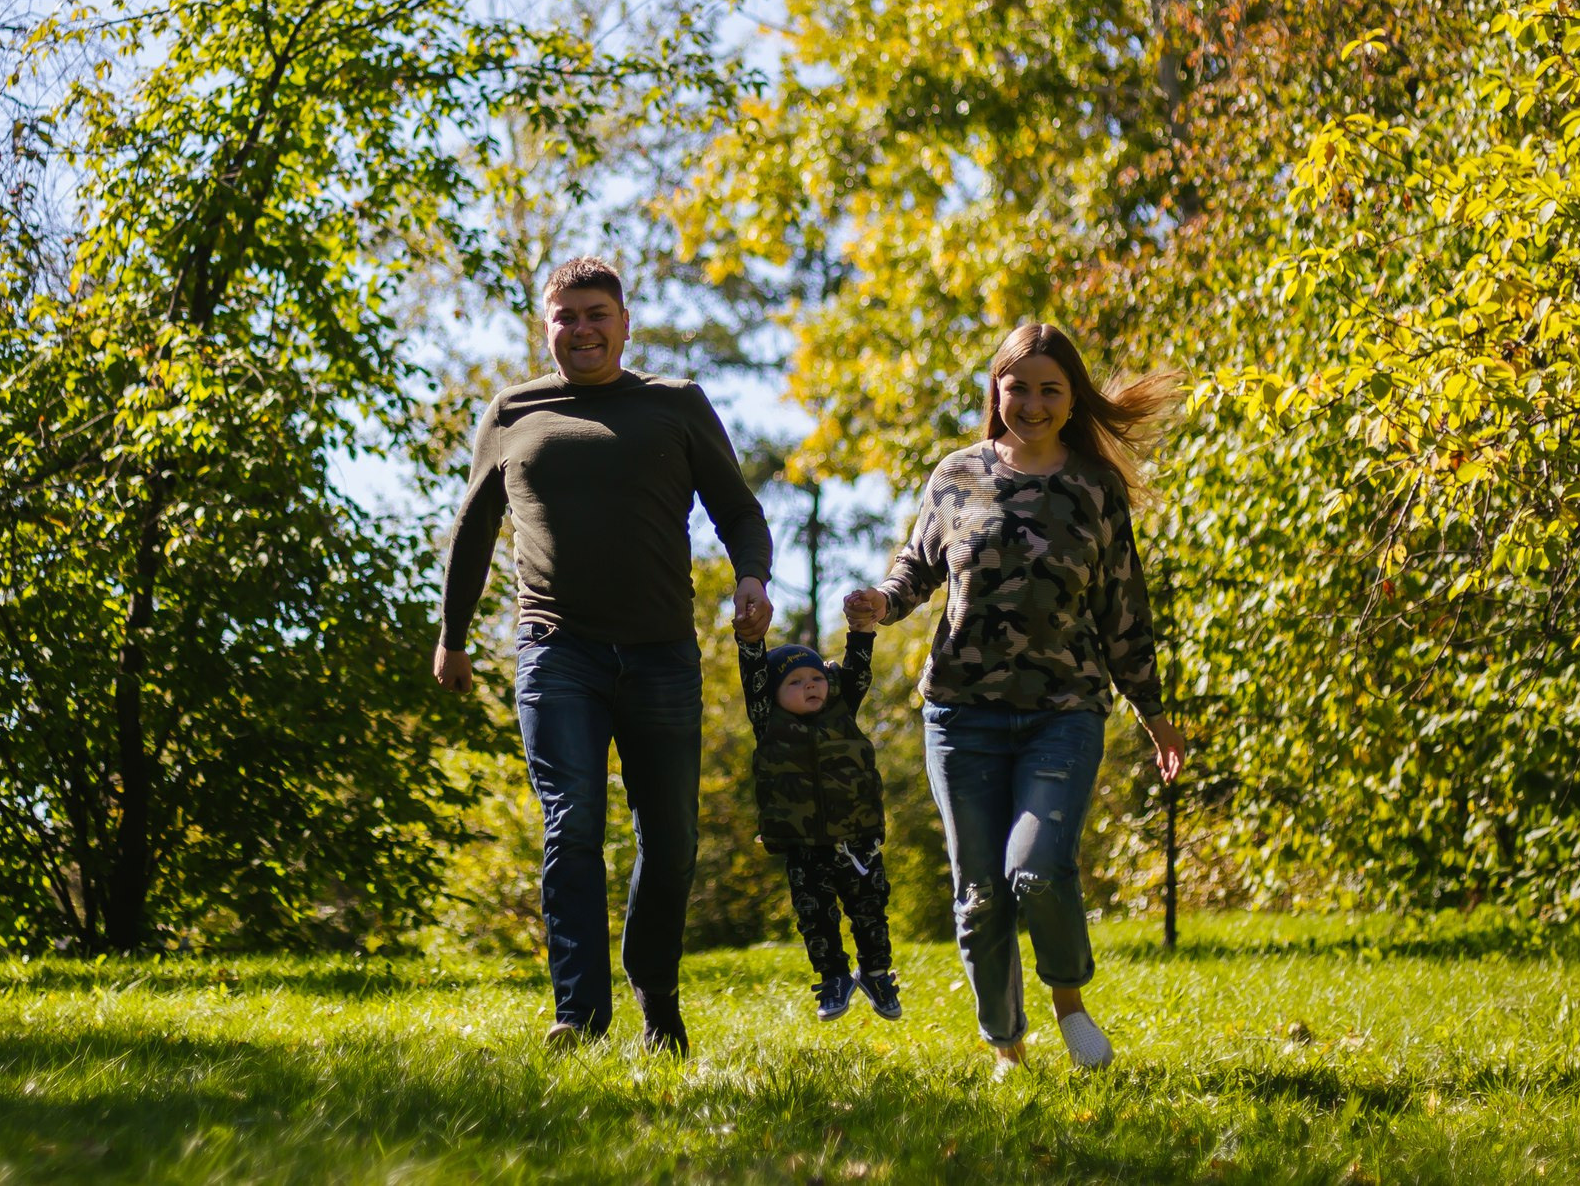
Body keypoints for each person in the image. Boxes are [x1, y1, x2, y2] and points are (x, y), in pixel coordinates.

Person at [434, 257, 775, 1055]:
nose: (581, 330)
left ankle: (655, 987)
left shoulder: (675, 405)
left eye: (596, 314)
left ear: (625, 322)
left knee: (672, 837)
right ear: (545, 325)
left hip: (661, 651)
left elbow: (738, 509)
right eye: (566, 317)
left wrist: (751, 577)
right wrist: (451, 636)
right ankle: (578, 1013)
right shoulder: (514, 412)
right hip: (558, 650)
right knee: (573, 820)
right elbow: (473, 531)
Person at [842, 322, 1189, 1080]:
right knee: (978, 893)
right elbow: (915, 569)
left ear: (1071, 400)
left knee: (1034, 867)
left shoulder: (1095, 487)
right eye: (1018, 386)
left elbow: (1124, 607)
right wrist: (880, 602)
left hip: (1064, 711)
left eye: (1049, 389)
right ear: (995, 389)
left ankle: (1069, 1004)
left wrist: (1154, 714)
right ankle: (1006, 1045)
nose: (1031, 402)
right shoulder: (956, 475)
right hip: (961, 713)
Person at [737, 605, 902, 1024]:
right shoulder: (768, 722)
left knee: (870, 909)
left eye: (815, 678)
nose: (810, 686)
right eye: (794, 682)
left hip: (857, 838)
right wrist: (751, 641)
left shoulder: (841, 710)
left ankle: (877, 972)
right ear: (771, 694)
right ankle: (833, 978)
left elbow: (859, 668)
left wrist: (860, 630)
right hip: (803, 845)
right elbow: (753, 673)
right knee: (816, 917)